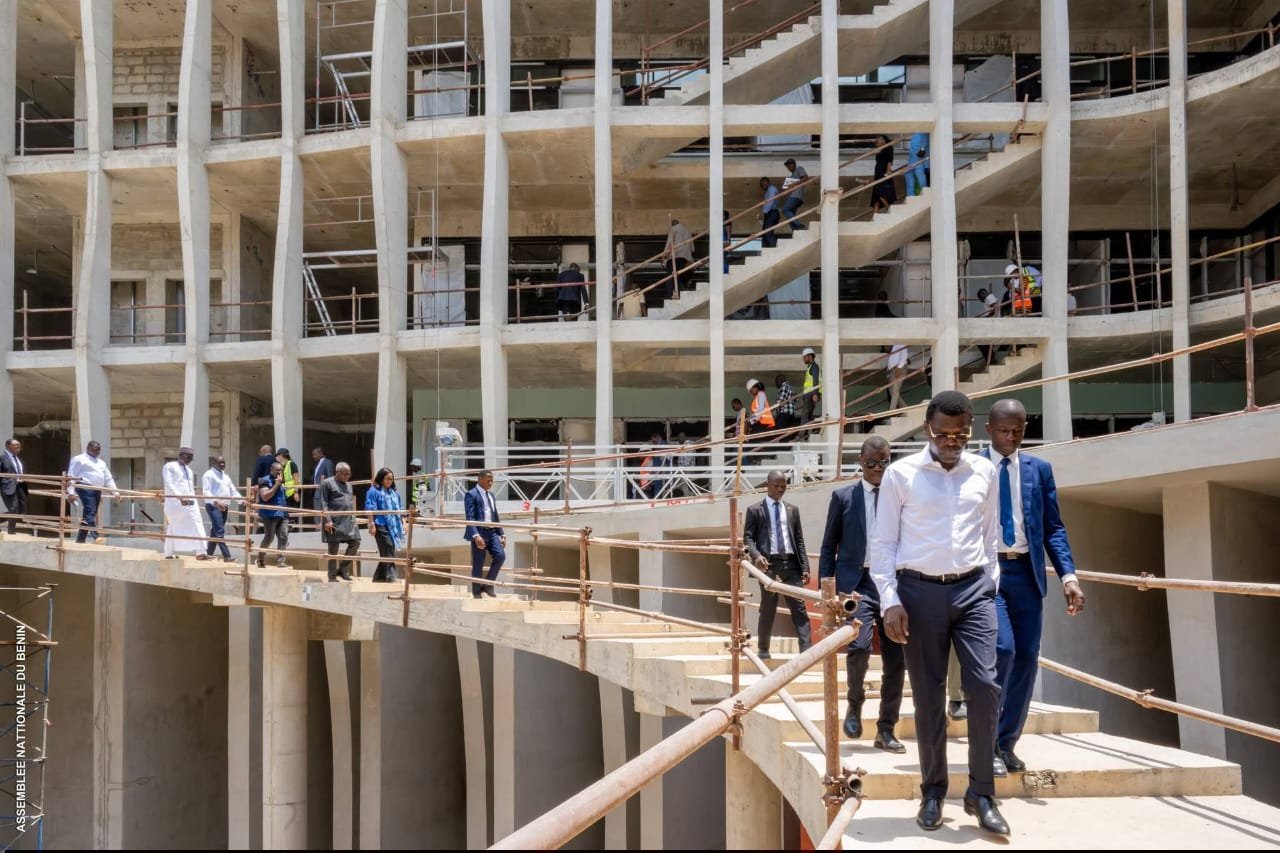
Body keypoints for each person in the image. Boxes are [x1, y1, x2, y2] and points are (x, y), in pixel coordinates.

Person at [870, 390, 1009, 836]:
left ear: (971, 428)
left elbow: (992, 537)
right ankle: (933, 791)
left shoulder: (984, 471)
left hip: (973, 591)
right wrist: (890, 600)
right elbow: (883, 544)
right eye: (943, 433)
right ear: (928, 428)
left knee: (985, 686)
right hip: (918, 594)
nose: (952, 440)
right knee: (929, 696)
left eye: (961, 433)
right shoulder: (900, 474)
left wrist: (991, 582)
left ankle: (981, 793)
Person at [983, 399, 1086, 777]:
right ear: (989, 429)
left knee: (1026, 658)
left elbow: (1054, 528)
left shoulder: (1039, 470)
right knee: (1003, 650)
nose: (1011, 438)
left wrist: (1069, 577)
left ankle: (1005, 744)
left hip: (1027, 575)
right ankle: (987, 741)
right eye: (1004, 430)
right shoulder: (972, 468)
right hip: (987, 576)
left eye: (1018, 430)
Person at [819, 436, 907, 751]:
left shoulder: (900, 496)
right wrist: (826, 590)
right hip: (857, 583)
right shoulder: (843, 497)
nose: (878, 469)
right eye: (871, 463)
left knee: (897, 660)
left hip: (893, 584)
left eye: (884, 462)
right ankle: (854, 705)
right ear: (860, 460)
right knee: (858, 647)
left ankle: (886, 729)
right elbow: (829, 546)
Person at [743, 470, 811, 659]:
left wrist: (805, 567)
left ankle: (806, 650)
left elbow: (799, 540)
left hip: (791, 565)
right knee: (768, 608)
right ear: (768, 485)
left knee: (799, 607)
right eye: (777, 486)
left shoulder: (792, 510)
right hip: (768, 567)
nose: (781, 489)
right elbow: (747, 539)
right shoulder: (755, 510)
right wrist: (756, 556)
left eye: (784, 486)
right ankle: (763, 648)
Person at [464, 470, 506, 597]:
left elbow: (495, 515)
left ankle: (488, 584)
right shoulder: (471, 494)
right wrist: (476, 536)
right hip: (479, 533)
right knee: (478, 563)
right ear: (480, 479)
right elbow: (469, 517)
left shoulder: (491, 495)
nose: (491, 482)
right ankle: (476, 593)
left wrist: (502, 533)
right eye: (488, 480)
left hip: (492, 532)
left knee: (500, 556)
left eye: (492, 480)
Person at [68, 441, 119, 543]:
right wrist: (71, 492)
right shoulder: (79, 459)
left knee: (89, 514)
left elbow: (108, 478)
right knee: (90, 511)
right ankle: (96, 536)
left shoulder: (101, 463)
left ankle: (80, 539)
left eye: (99, 449)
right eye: (96, 449)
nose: (98, 451)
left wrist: (115, 492)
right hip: (84, 487)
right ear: (89, 448)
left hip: (97, 490)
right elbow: (71, 476)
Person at [162, 447, 206, 559]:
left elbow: (189, 488)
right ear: (184, 456)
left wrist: (195, 496)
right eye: (190, 458)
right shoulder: (170, 467)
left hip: (189, 503)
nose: (191, 460)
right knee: (173, 526)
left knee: (197, 522)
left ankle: (201, 552)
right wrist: (179, 496)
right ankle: (168, 553)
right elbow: (169, 483)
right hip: (174, 503)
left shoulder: (189, 471)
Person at [319, 462, 360, 582]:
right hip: (334, 521)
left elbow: (349, 503)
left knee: (355, 542)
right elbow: (323, 502)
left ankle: (343, 568)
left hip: (349, 520)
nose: (347, 476)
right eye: (345, 474)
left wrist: (353, 518)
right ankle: (332, 576)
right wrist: (327, 520)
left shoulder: (349, 485)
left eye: (349, 474)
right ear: (337, 472)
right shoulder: (327, 483)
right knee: (333, 550)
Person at [366, 467, 405, 583]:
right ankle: (391, 576)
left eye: (391, 479)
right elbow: (370, 509)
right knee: (388, 547)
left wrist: (404, 523)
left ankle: (378, 577)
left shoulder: (394, 494)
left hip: (393, 526)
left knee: (388, 549)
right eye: (387, 479)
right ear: (381, 478)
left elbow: (400, 510)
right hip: (380, 524)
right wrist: (371, 524)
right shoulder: (373, 491)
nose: (390, 481)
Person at [201, 455, 241, 562]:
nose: (222, 464)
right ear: (214, 463)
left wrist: (243, 501)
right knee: (219, 531)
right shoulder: (208, 475)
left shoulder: (226, 476)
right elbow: (206, 492)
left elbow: (233, 491)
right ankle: (227, 556)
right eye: (220, 462)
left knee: (215, 531)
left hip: (225, 507)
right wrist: (217, 502)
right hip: (214, 506)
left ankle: (208, 554)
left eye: (224, 462)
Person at [256, 461, 290, 568]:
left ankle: (281, 561)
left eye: (281, 470)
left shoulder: (281, 481)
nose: (279, 472)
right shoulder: (264, 480)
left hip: (282, 514)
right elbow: (265, 496)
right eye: (277, 470)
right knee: (269, 537)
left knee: (283, 536)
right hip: (269, 514)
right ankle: (260, 558)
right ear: (271, 470)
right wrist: (276, 485)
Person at [0, 439, 28, 535]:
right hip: (8, 487)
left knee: (21, 510)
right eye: (16, 446)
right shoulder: (3, 458)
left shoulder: (17, 458)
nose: (19, 448)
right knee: (14, 508)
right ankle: (11, 532)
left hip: (20, 486)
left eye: (19, 446)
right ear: (8, 446)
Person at [663, 220, 695, 295]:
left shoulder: (673, 230)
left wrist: (664, 257)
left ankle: (670, 295)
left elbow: (669, 245)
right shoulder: (687, 231)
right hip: (686, 260)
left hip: (674, 258)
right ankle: (683, 293)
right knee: (680, 278)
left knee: (671, 278)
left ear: (672, 225)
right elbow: (693, 249)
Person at [871, 135, 898, 213]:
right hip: (878, 171)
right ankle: (875, 215)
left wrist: (888, 170)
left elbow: (890, 160)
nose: (877, 141)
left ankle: (890, 210)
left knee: (881, 193)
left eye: (878, 139)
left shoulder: (889, 147)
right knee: (876, 195)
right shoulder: (880, 149)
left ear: (884, 140)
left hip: (884, 172)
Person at [781, 158, 808, 231]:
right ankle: (796, 230)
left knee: (785, 210)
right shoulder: (790, 177)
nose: (789, 167)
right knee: (790, 215)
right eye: (787, 166)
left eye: (790, 164)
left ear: (794, 164)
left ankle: (799, 225)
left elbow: (805, 178)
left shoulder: (799, 169)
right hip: (792, 196)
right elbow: (788, 188)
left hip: (796, 196)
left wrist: (793, 184)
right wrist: (787, 188)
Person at [800, 347, 821, 426]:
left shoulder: (814, 367)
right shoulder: (810, 367)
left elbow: (816, 380)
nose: (803, 359)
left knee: (805, 415)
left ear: (810, 356)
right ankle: (808, 434)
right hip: (809, 394)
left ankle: (801, 435)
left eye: (805, 357)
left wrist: (815, 393)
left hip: (811, 394)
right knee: (808, 415)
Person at [759, 177, 780, 249]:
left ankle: (775, 251)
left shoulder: (772, 188)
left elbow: (771, 201)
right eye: (761, 184)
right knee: (764, 234)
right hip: (768, 214)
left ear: (768, 182)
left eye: (764, 182)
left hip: (772, 213)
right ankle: (765, 252)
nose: (762, 185)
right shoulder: (767, 192)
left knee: (768, 233)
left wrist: (764, 212)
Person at [311, 447, 335, 511]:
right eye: (313, 455)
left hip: (324, 492)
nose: (313, 456)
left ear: (321, 454)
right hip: (316, 492)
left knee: (323, 514)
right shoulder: (317, 464)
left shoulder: (327, 462)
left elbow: (330, 477)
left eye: (315, 454)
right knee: (317, 513)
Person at [906, 131, 929, 196]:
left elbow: (925, 142)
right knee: (909, 173)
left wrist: (922, 149)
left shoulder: (923, 132)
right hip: (913, 155)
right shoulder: (917, 132)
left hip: (918, 156)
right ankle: (911, 194)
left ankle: (924, 190)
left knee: (918, 172)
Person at [887, 344, 909, 410]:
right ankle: (906, 410)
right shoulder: (894, 345)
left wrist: (899, 368)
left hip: (899, 369)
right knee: (892, 391)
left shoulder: (901, 343)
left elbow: (904, 355)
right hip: (893, 370)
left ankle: (891, 411)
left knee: (895, 391)